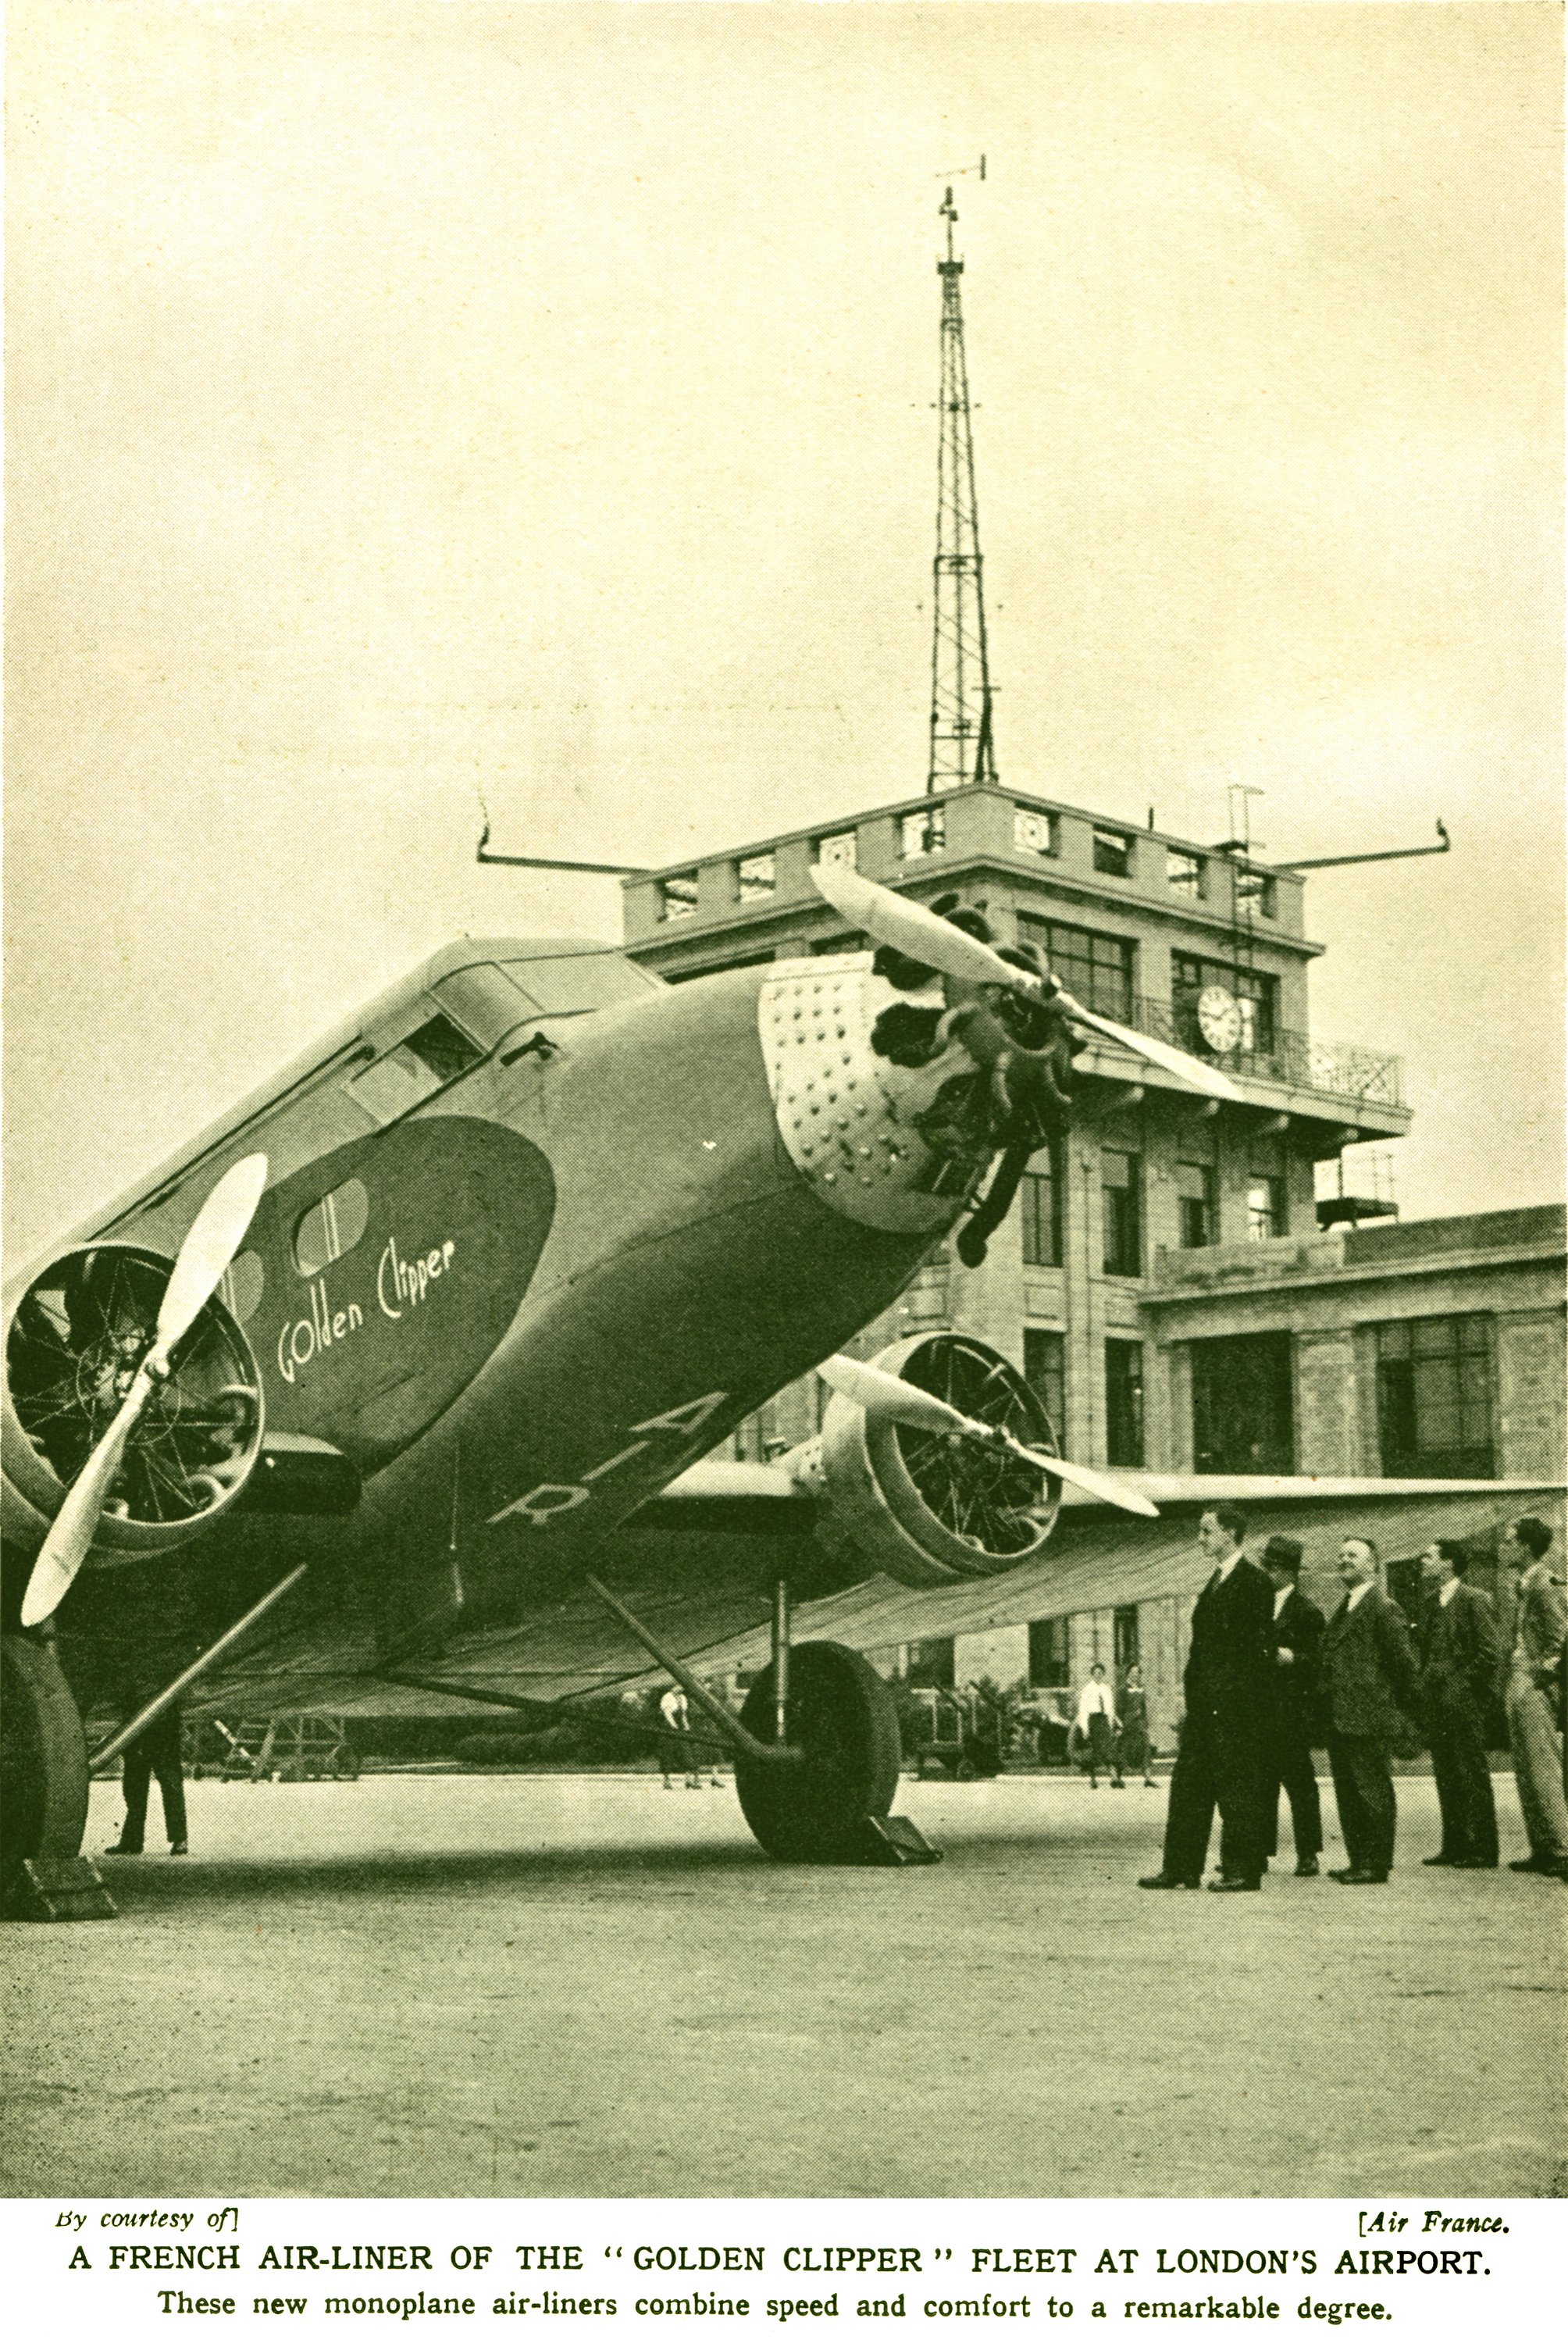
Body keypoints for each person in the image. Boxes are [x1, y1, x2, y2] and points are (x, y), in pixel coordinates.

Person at [1139, 1504, 1273, 1892]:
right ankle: (1181, 1869)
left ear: (1230, 1533)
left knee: (1238, 1789)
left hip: (1234, 1710)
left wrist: (1233, 1702)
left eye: (1206, 1531)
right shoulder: (1215, 1581)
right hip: (1204, 1710)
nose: (1200, 1538)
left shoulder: (1254, 1583)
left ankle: (1242, 1871)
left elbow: (1255, 1653)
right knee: (1188, 1786)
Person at [1319, 1535, 1422, 1885]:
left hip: (1368, 1717)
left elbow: (1406, 1666)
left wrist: (1397, 1714)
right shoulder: (1347, 1604)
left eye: (1353, 1555)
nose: (1344, 1560)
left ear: (1372, 1565)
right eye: (1341, 1554)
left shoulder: (1383, 1607)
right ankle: (1358, 1859)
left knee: (1372, 1790)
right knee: (1349, 1792)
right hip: (1342, 1717)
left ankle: (1375, 1863)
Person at [1415, 1539, 1501, 1869]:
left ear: (1448, 1563)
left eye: (1429, 1556)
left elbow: (1490, 1654)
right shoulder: (1431, 1603)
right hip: (1438, 1703)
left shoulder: (1475, 1599)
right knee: (1446, 1771)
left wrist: (1459, 1685)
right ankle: (1454, 1845)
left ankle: (1483, 1848)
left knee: (1470, 1771)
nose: (1423, 1562)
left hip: (1465, 1703)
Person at [1497, 1517, 1568, 1881]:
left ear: (1526, 1546)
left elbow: (1560, 1638)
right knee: (1525, 1769)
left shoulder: (1545, 1585)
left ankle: (1561, 1847)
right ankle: (1543, 1846)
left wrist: (1542, 1676)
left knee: (1543, 1768)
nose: (1505, 1547)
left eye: (1510, 1541)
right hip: (1520, 1680)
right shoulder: (1525, 1585)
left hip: (1534, 1685)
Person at [1258, 1534, 1324, 1878]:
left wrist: (1293, 1658)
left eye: (1271, 1568)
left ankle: (1308, 1852)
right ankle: (1259, 1851)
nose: (1266, 1573)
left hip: (1290, 1713)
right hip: (1258, 1711)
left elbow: (1318, 1663)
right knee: (1259, 1783)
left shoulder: (1307, 1612)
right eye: (1265, 1566)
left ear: (1288, 1573)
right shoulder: (1255, 1606)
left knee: (1300, 1785)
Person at [105, 1701, 188, 1858]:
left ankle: (180, 1839)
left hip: (163, 1727)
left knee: (171, 1784)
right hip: (137, 1723)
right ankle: (132, 1840)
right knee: (134, 1786)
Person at [1074, 1661, 1122, 1787]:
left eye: (1100, 1673)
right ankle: (1093, 1779)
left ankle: (1114, 1779)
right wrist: (1085, 1728)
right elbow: (1083, 1709)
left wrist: (1111, 1723)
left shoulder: (1106, 1689)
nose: (1098, 1675)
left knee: (1108, 1749)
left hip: (1104, 1721)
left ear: (1103, 1674)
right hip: (1093, 1720)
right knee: (1094, 1750)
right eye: (1095, 1673)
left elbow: (1110, 1708)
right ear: (1092, 1675)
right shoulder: (1087, 1689)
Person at [1117, 1664, 1156, 1786]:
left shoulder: (1141, 1689)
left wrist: (1145, 1722)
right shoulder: (1123, 1689)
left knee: (1145, 1748)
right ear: (1128, 1673)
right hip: (1127, 1724)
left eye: (1137, 1672)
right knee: (1124, 1749)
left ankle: (1148, 1779)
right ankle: (1118, 1778)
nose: (1135, 1675)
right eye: (1132, 1672)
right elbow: (1119, 1710)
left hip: (1139, 1724)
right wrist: (1119, 1726)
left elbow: (1143, 1708)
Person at [658, 1683, 700, 1790]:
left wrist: (686, 1727)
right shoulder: (667, 1697)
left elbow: (683, 1714)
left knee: (686, 1751)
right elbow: (667, 1713)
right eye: (678, 1686)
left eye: (682, 1686)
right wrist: (674, 1727)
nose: (681, 1688)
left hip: (680, 1726)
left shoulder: (682, 1698)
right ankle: (667, 1781)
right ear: (673, 1686)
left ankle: (689, 1779)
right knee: (668, 1752)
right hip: (669, 1727)